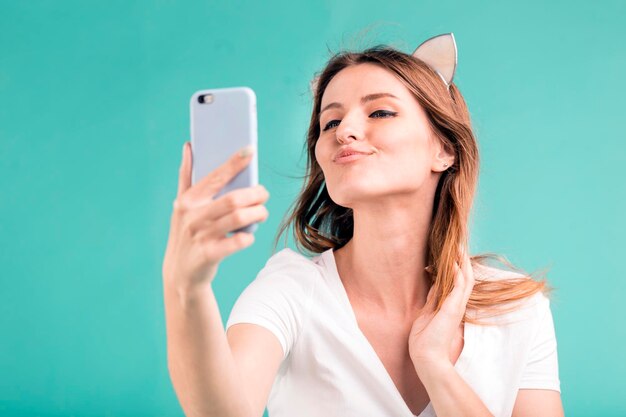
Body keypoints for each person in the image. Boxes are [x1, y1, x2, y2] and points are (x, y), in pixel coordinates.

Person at [162, 34, 564, 417]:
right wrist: (186, 286)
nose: (345, 132)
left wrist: (436, 366)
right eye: (330, 122)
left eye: (380, 112)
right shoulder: (290, 291)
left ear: (443, 149)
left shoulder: (517, 309)